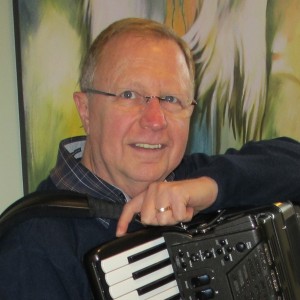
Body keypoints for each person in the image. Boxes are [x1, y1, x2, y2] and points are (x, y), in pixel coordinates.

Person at [1, 17, 300, 300]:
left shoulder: (187, 180)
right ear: (86, 110)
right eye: (129, 95)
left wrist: (211, 189)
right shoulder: (32, 246)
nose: (155, 120)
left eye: (171, 99)